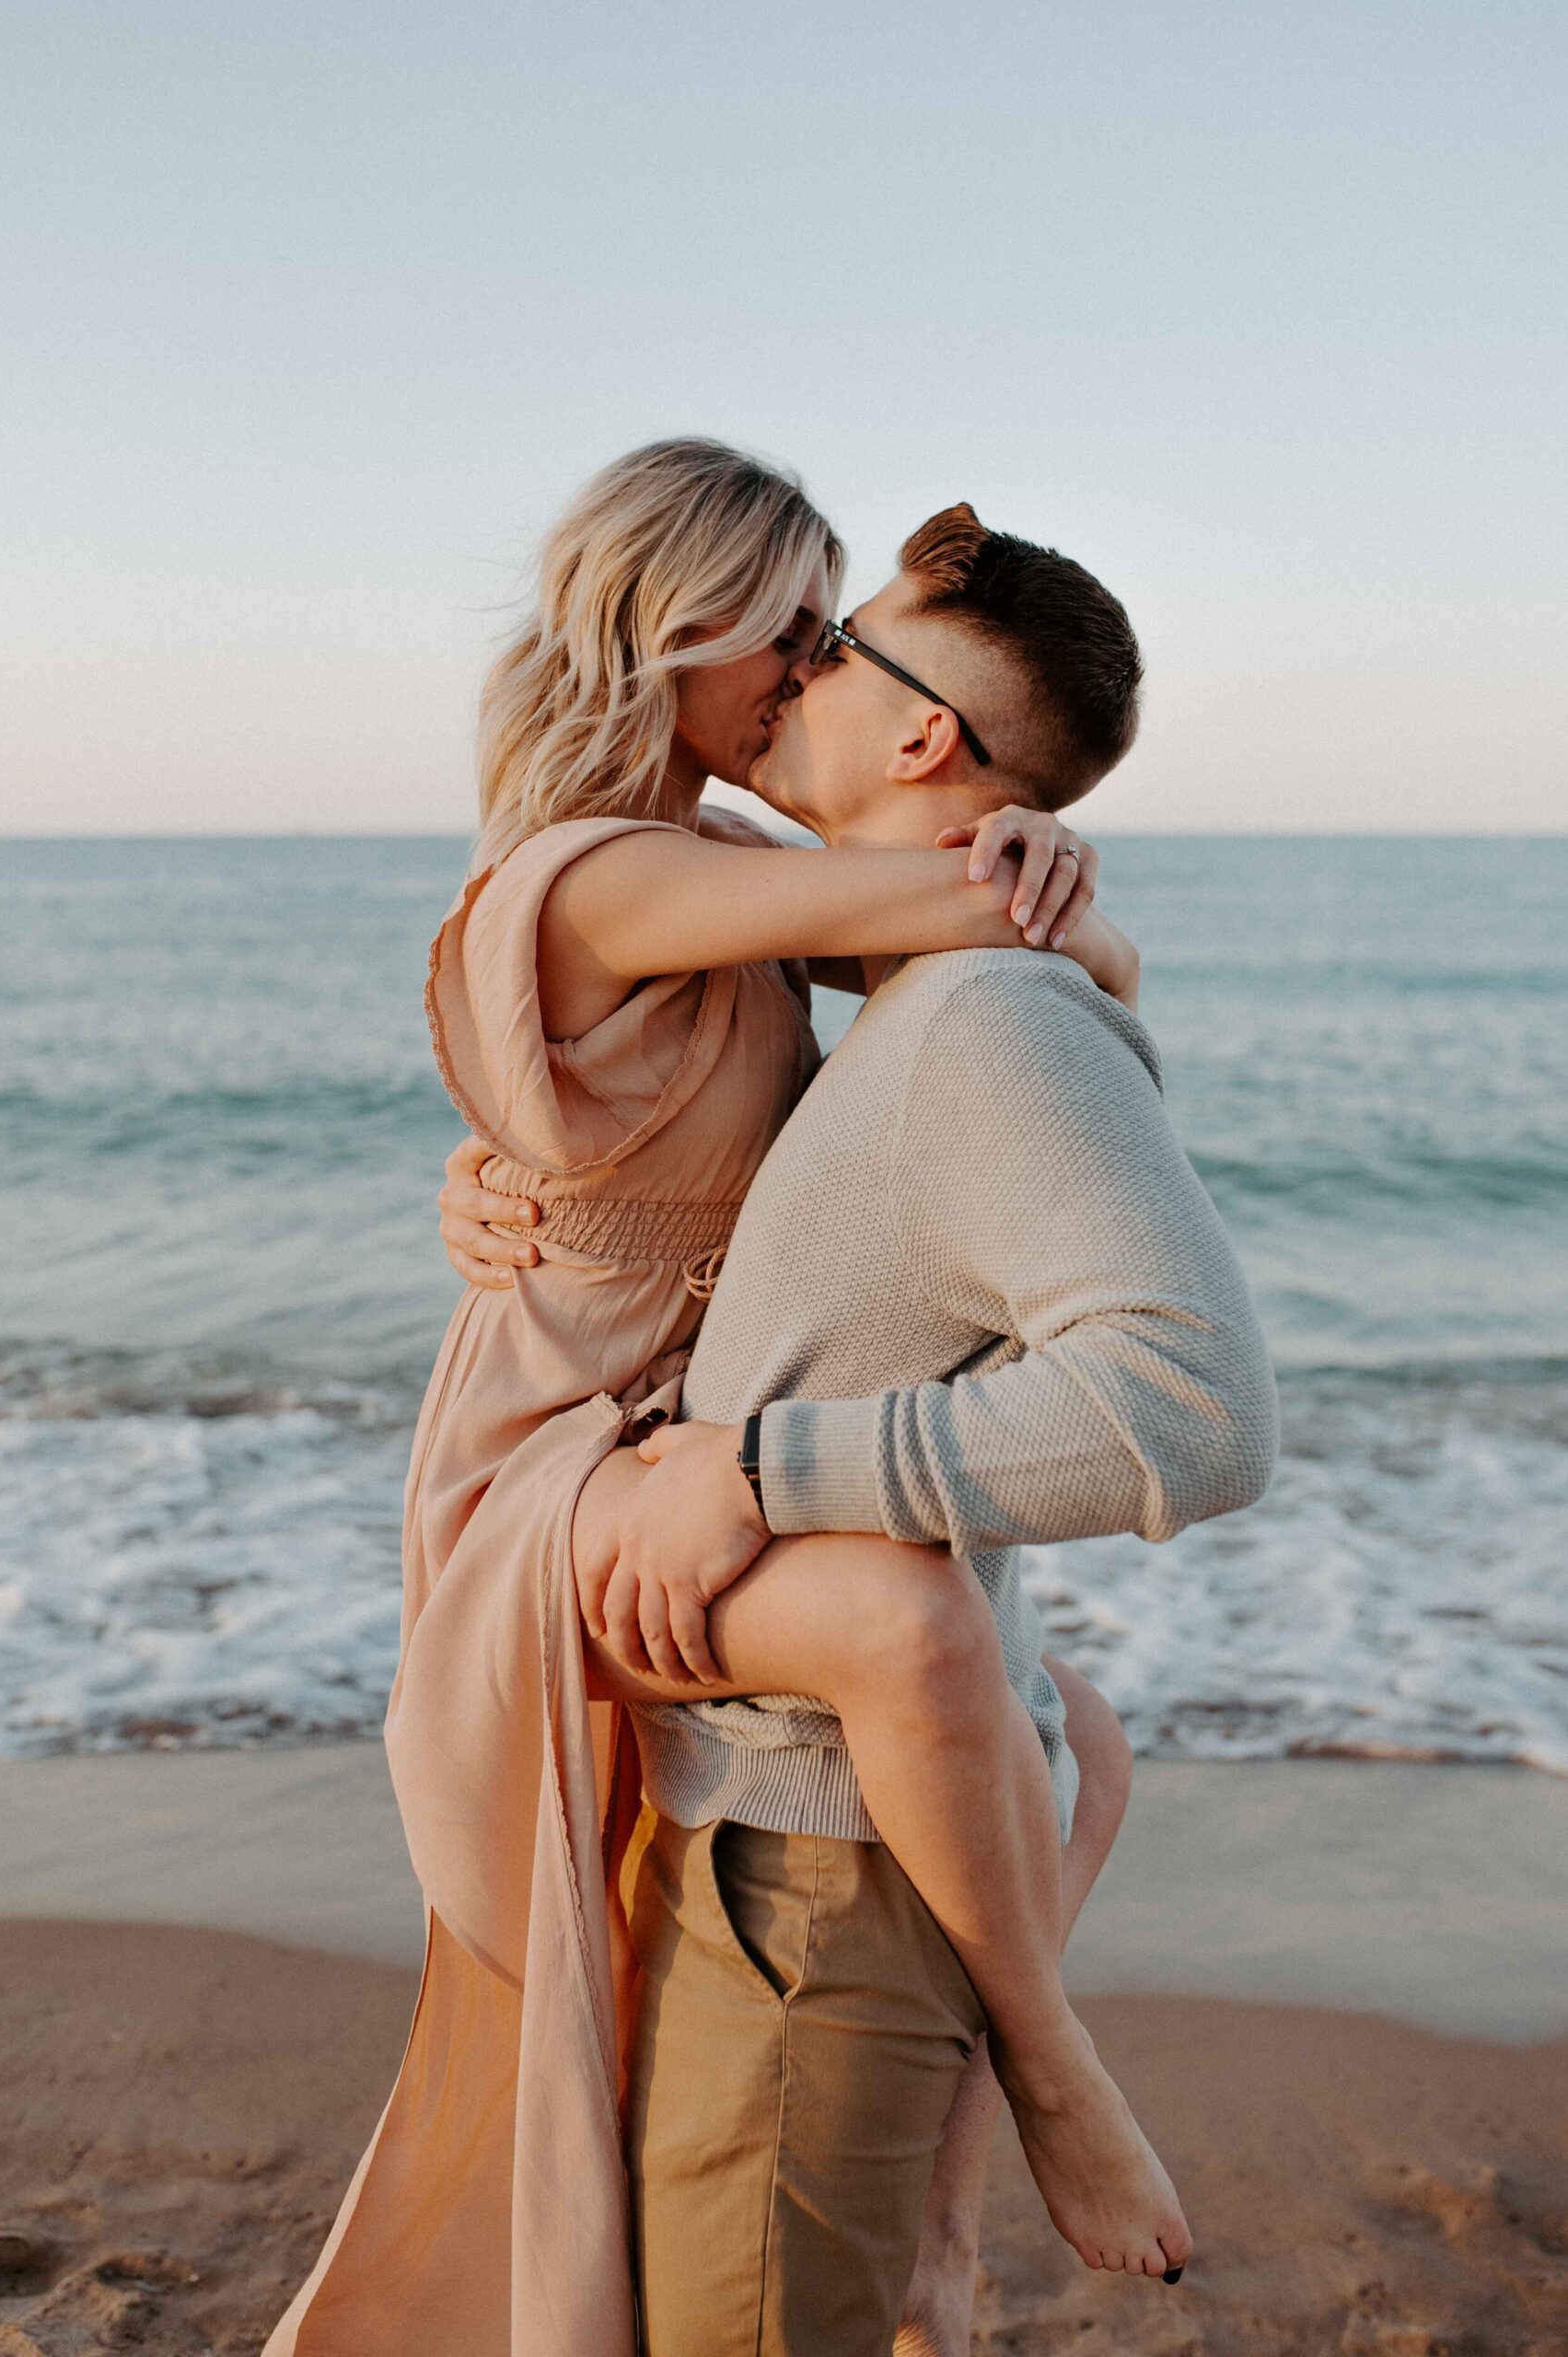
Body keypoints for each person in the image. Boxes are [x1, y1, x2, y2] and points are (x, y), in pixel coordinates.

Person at [260, 439, 1181, 2357]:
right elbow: (993, 935)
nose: (799, 661)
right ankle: (1052, 2067)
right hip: (555, 1461)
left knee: (997, 1684)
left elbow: (993, 955)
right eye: (783, 621)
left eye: (827, 626)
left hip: (675, 1431)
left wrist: (1046, 874)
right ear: (662, 626)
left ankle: (943, 2184)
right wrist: (1040, 876)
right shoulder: (598, 876)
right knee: (904, 1612)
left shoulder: (734, 870)